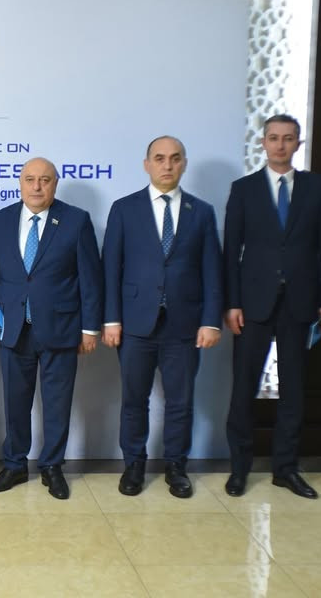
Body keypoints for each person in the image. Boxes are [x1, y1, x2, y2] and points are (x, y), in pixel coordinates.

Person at [223, 114, 321, 499]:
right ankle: (239, 469)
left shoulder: (317, 188)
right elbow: (231, 252)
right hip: (252, 304)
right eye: (273, 138)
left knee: (294, 391)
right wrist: (231, 302)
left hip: (301, 304)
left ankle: (285, 469)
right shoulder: (243, 189)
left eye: (288, 138)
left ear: (297, 144)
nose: (280, 145)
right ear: (263, 143)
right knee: (243, 389)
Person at [102, 136, 223, 498]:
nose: (167, 165)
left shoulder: (202, 212)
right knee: (134, 400)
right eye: (159, 158)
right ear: (147, 164)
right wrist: (111, 319)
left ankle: (176, 467)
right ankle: (134, 465)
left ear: (184, 163)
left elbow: (212, 271)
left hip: (185, 325)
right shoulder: (125, 209)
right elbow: (110, 268)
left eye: (174, 158)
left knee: (181, 402)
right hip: (135, 324)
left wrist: (210, 320)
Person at [0, 157, 102, 499]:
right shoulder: (1, 220)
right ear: (20, 183)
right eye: (30, 179)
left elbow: (90, 279)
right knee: (15, 403)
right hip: (13, 329)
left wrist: (90, 328)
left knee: (57, 404)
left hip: (61, 328)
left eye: (45, 180)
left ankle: (52, 466)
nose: (37, 186)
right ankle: (15, 464)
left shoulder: (76, 220)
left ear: (55, 183)